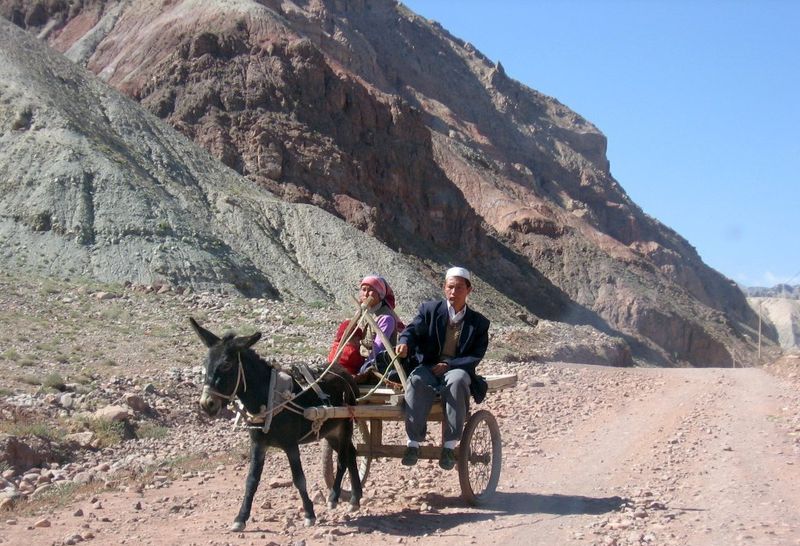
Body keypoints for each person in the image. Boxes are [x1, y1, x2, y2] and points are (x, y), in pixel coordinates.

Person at [395, 266, 490, 470]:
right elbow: (412, 330)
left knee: (456, 381)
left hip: (456, 368)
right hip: (429, 366)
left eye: (458, 288)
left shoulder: (479, 323)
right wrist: (404, 342)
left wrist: (449, 364)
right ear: (444, 288)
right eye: (450, 287)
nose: (453, 292)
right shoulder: (429, 310)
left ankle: (449, 446)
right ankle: (413, 442)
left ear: (469, 290)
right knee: (416, 380)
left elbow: (475, 355)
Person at [327, 275, 401, 378]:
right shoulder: (363, 311)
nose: (366, 294)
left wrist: (361, 370)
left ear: (380, 294)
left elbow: (378, 348)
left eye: (371, 290)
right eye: (363, 290)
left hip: (377, 364)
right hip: (361, 360)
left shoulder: (386, 318)